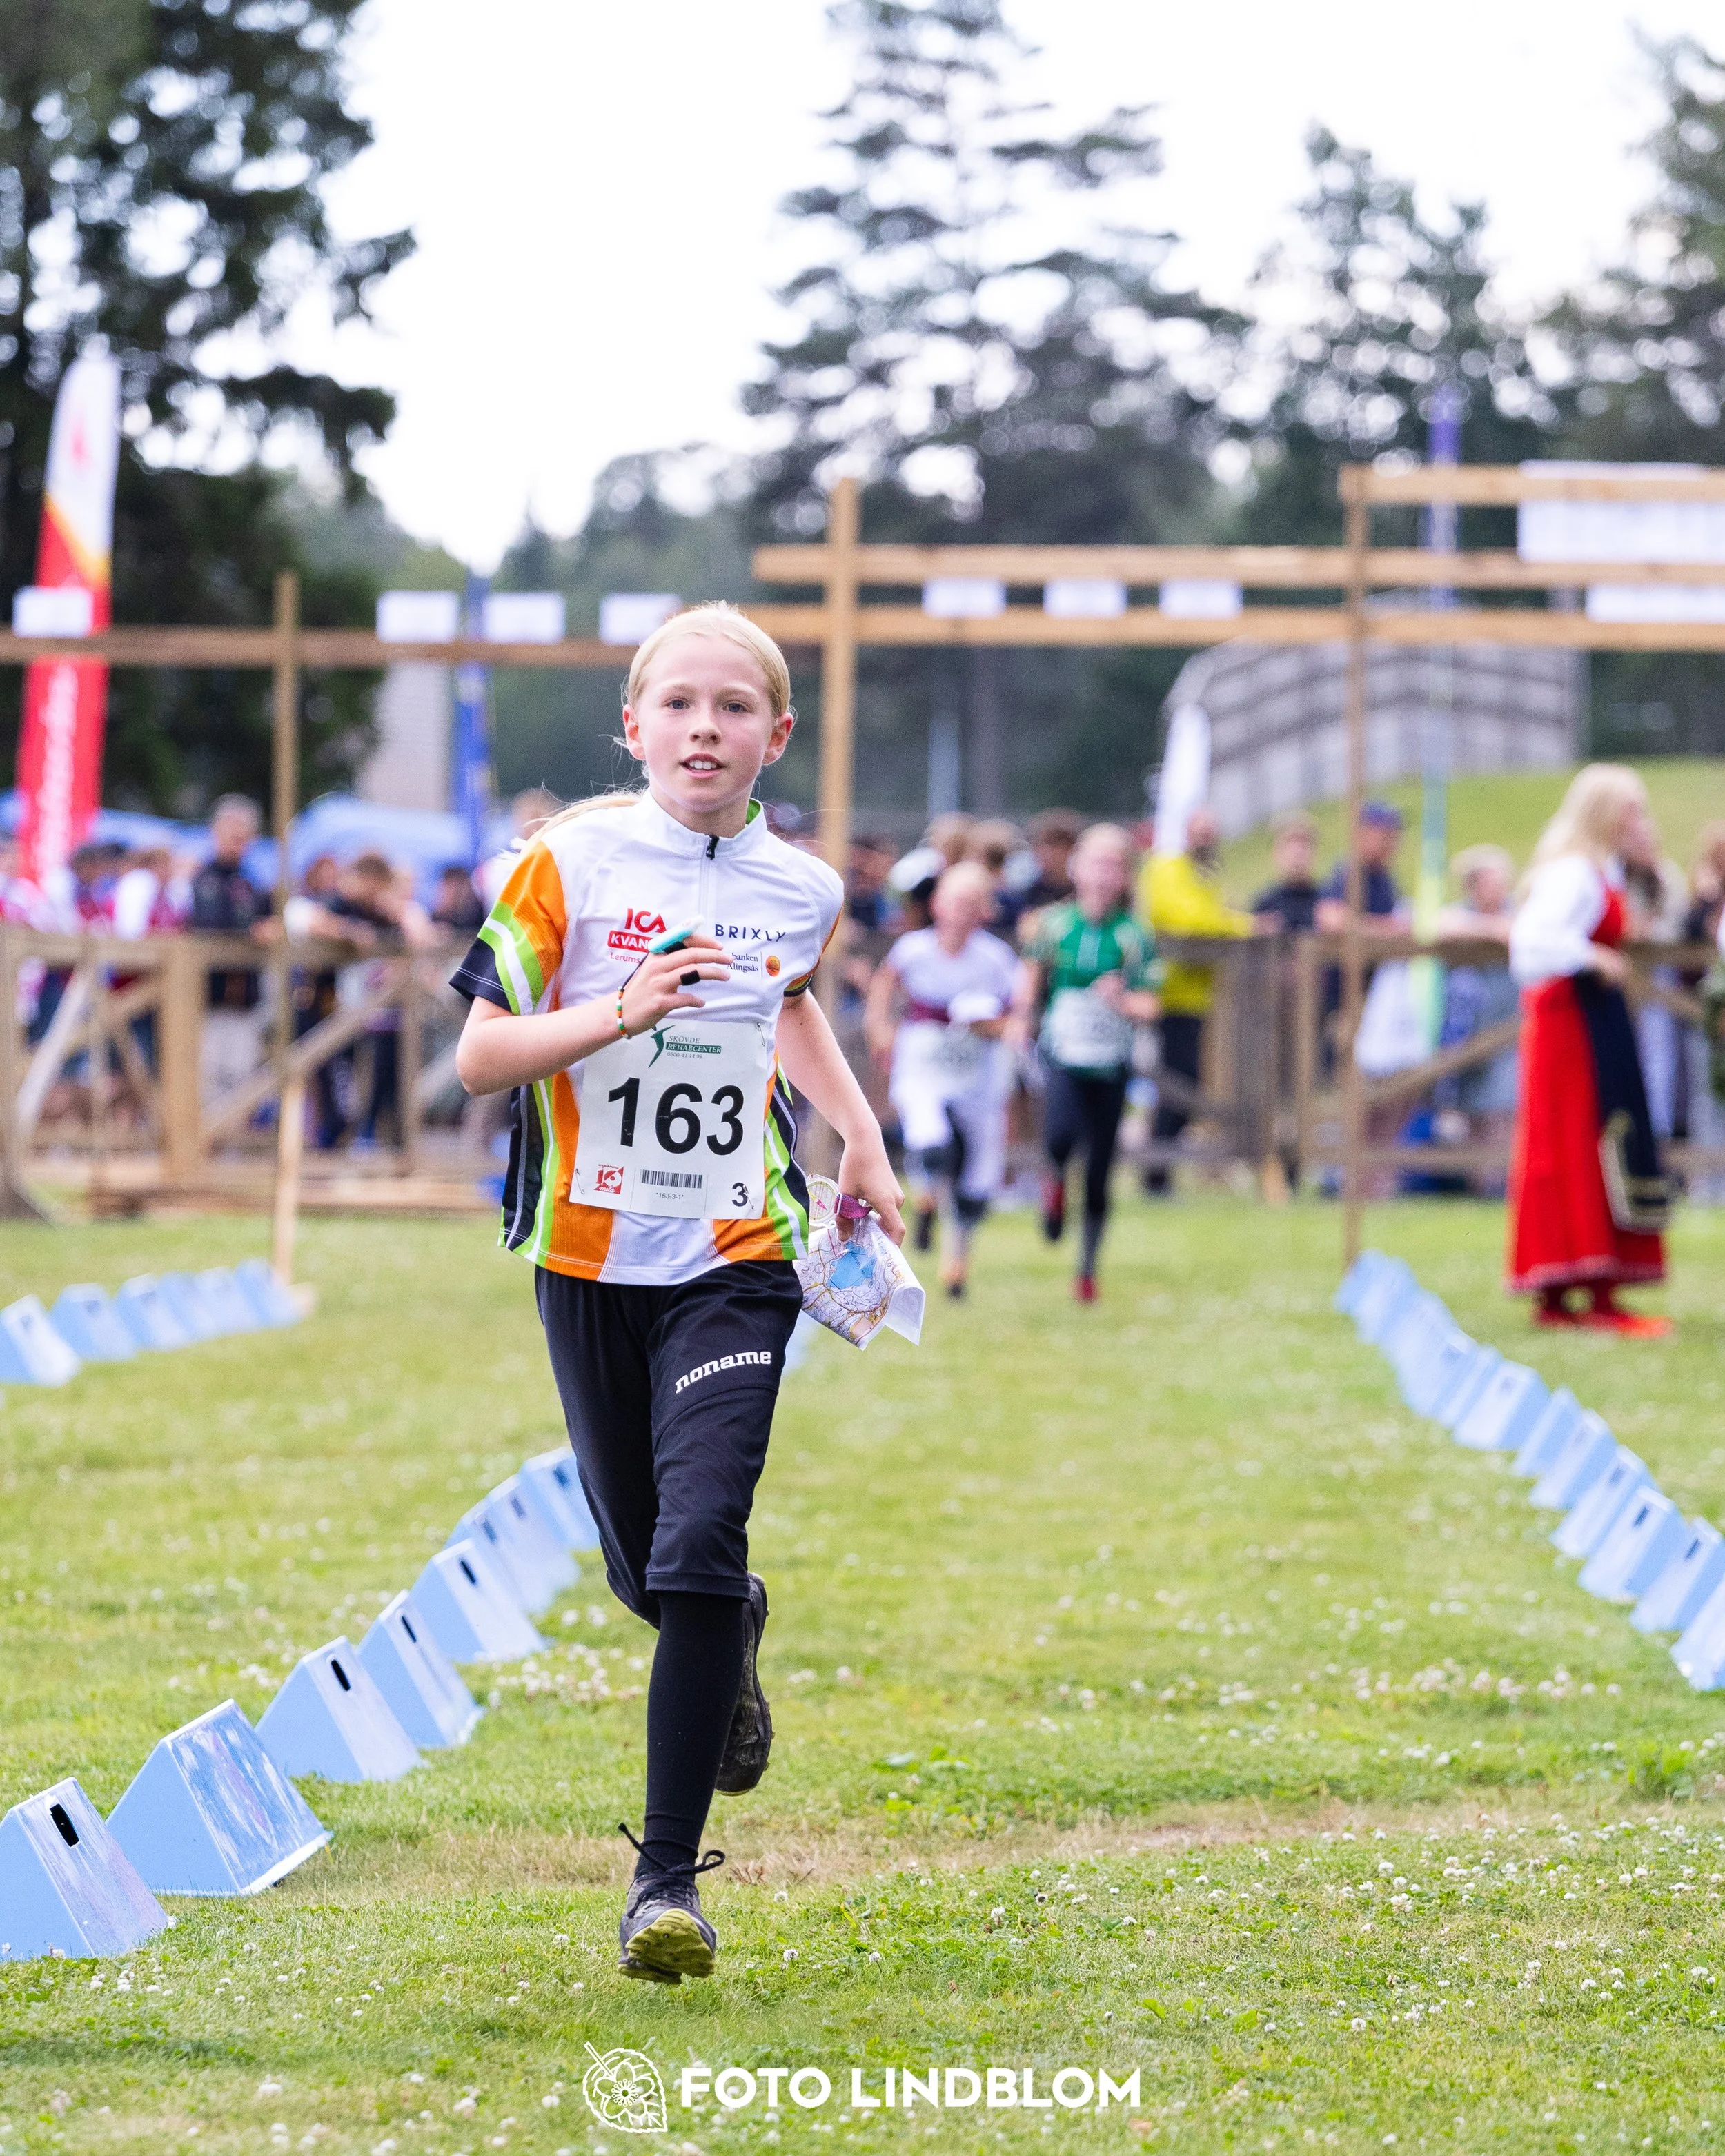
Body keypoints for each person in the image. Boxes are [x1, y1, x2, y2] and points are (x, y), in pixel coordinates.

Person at [451, 602, 901, 1986]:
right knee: (650, 1566)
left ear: (777, 735)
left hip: (736, 1256)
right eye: (681, 705)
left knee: (700, 1536)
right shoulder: (566, 865)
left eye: (733, 707)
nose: (706, 729)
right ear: (634, 727)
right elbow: (480, 1056)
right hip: (587, 1259)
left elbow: (790, 999)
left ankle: (665, 1881)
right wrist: (620, 1010)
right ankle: (729, 1634)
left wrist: (858, 1131)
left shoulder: (801, 889)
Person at [1506, 764, 1671, 1336]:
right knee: (1574, 1143)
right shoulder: (1574, 872)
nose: (1639, 821)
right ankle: (1576, 1290)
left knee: (1595, 1141)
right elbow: (1530, 945)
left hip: (1591, 1022)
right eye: (1631, 810)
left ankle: (1591, 1287)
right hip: (1569, 1024)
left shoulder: (1603, 871)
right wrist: (1591, 955)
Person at [1012, 824, 1161, 1300]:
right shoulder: (1054, 925)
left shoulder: (1134, 934)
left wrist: (1123, 1000)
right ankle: (1053, 1192)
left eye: (1114, 866)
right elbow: (1030, 979)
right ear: (1077, 869)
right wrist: (1020, 1020)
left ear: (1126, 876)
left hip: (1111, 1065)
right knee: (1058, 1138)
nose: (1104, 875)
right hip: (1064, 1055)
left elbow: (1152, 1004)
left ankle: (1088, 1270)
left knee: (1099, 1170)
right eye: (1097, 864)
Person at [863, 860, 1015, 1298]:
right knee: (930, 1138)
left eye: (972, 904)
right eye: (955, 902)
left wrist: (988, 1024)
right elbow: (884, 985)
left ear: (985, 910)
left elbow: (1016, 1016)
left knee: (977, 1172)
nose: (962, 913)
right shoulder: (914, 949)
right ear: (937, 905)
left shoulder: (995, 960)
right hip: (925, 1060)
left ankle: (956, 1266)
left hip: (975, 1068)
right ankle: (926, 1196)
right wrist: (880, 1030)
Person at [1138, 804, 1253, 1194]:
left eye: (1211, 830)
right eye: (1200, 828)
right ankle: (1156, 1171)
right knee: (1177, 1081)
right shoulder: (1166, 868)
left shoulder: (1205, 873)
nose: (1206, 837)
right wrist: (1242, 926)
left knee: (1184, 1081)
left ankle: (1160, 1170)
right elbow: (1188, 919)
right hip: (1168, 992)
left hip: (1197, 995)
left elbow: (1210, 915)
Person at [1430, 845, 1520, 1191]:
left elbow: (1522, 931)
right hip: (1466, 1036)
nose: (1499, 888)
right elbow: (1441, 926)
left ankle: (1496, 1188)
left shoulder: (1516, 912)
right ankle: (1479, 1188)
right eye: (1491, 881)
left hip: (1510, 1034)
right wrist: (1491, 930)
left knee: (1503, 1111)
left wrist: (1492, 930)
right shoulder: (1459, 914)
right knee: (1471, 1114)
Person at [190, 794, 274, 1100]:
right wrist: (252, 931)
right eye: (230, 830)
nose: (236, 839)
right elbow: (209, 925)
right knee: (209, 1081)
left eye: (242, 833)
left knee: (240, 1081)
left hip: (244, 1001)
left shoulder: (252, 883)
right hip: (210, 998)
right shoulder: (203, 879)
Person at [1250, 811, 1323, 933]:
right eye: (1290, 843)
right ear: (1275, 853)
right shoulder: (1265, 907)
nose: (1298, 852)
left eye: (1304, 844)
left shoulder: (1327, 902)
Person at [431, 863, 485, 934]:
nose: (450, 892)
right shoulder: (437, 917)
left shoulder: (479, 917)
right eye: (448, 886)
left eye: (455, 887)